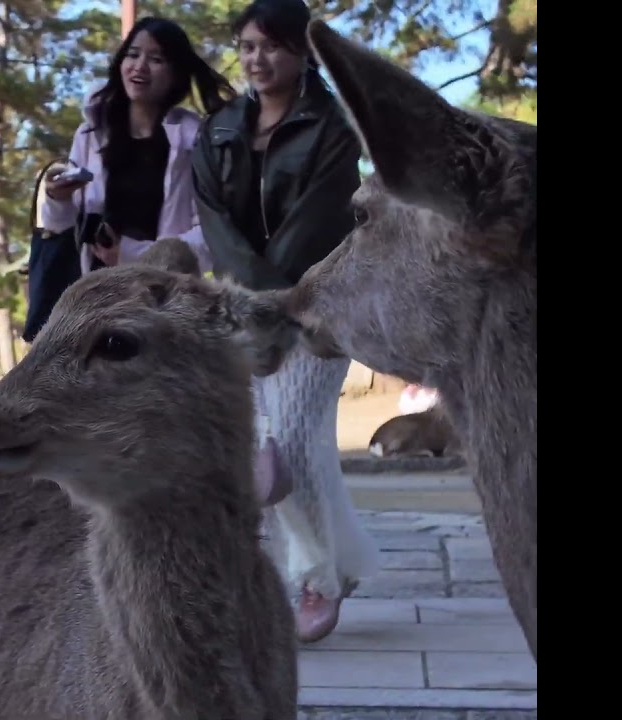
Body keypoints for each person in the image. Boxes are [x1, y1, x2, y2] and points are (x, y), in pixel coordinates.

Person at [191, 0, 380, 644]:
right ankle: (332, 566)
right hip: (241, 312)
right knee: (266, 453)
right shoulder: (216, 131)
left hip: (319, 308)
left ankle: (315, 582)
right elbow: (216, 224)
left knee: (294, 442)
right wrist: (248, 303)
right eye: (246, 46)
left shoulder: (333, 124)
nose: (256, 58)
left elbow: (317, 220)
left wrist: (276, 304)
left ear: (303, 53)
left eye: (271, 45)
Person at [39, 16, 236, 277]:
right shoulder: (92, 132)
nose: (139, 67)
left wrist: (133, 255)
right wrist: (58, 198)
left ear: (176, 73)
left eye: (156, 59)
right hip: (96, 293)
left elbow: (211, 236)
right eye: (133, 55)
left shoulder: (195, 141)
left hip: (165, 299)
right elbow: (60, 226)